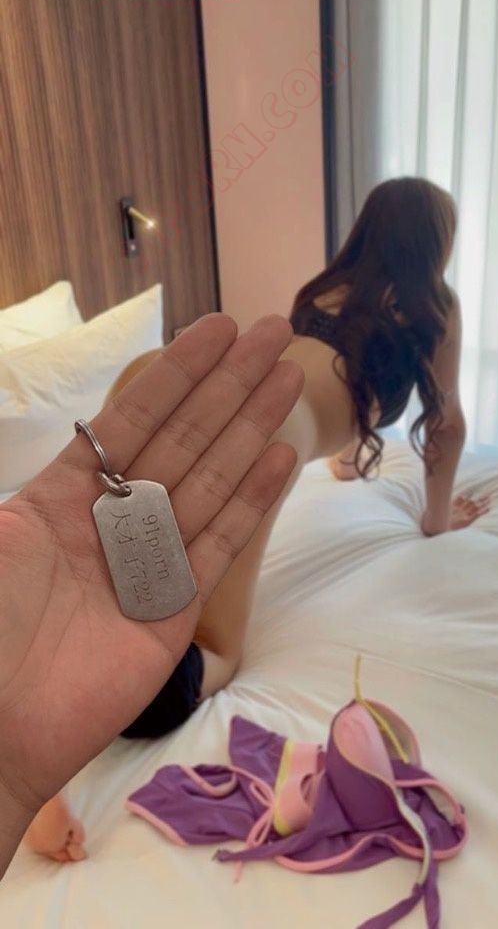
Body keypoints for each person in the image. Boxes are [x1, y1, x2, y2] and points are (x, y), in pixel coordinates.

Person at [25, 176, 492, 862]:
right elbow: (444, 424)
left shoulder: (328, 289)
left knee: (95, 575)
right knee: (212, 653)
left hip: (167, 378)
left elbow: (324, 376)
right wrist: (435, 519)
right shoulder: (434, 308)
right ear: (435, 244)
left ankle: (33, 693)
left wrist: (343, 460)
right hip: (261, 434)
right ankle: (44, 759)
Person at [0, 312, 304, 877]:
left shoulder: (142, 379)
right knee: (221, 648)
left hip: (144, 399)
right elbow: (446, 429)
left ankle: (30, 733)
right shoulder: (407, 331)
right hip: (280, 426)